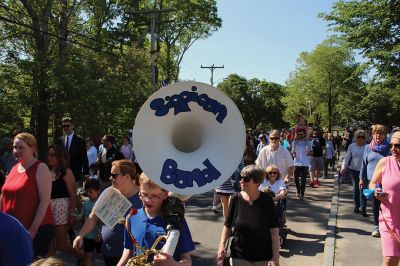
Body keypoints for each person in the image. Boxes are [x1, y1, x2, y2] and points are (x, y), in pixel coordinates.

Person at [73, 159, 142, 266]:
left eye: (114, 175)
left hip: (132, 256)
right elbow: (94, 216)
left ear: (127, 176)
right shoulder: (108, 192)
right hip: (109, 252)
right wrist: (80, 235)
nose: (110, 178)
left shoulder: (143, 197)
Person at [117, 173, 195, 265]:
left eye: (154, 195)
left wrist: (174, 264)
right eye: (144, 194)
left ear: (165, 194)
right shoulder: (132, 217)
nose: (148, 200)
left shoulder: (176, 220)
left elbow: (187, 259)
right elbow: (128, 251)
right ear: (139, 191)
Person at [0, 133, 54, 258]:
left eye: (21, 148)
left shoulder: (40, 168)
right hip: (11, 230)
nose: (16, 151)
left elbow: (44, 201)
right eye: (14, 147)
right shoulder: (14, 168)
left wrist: (33, 229)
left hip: (35, 230)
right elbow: (3, 195)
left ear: (33, 149)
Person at [217, 165, 280, 266]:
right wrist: (222, 245)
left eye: (245, 179)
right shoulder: (235, 198)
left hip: (263, 257)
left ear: (257, 182)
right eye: (240, 178)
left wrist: (276, 257)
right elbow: (227, 225)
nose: (241, 181)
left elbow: (274, 231)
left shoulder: (267, 201)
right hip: (239, 256)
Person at [47, 144, 83, 262]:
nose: (50, 157)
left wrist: (72, 214)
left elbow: (73, 195)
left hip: (62, 210)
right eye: (49, 154)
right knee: (49, 243)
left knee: (61, 245)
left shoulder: (66, 172)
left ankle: (80, 256)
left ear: (60, 156)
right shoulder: (48, 171)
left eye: (53, 155)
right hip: (49, 210)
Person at [369, 131, 400, 266]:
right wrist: (376, 191)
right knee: (389, 260)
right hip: (389, 220)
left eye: (398, 145)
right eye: (391, 144)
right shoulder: (385, 162)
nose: (393, 148)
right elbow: (372, 183)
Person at [360, 124, 391, 237]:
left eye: (381, 133)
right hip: (373, 182)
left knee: (388, 204)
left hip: (387, 181)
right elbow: (364, 164)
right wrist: (361, 178)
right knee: (376, 204)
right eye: (376, 133)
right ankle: (376, 226)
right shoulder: (368, 147)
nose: (378, 135)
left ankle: (389, 226)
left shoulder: (390, 147)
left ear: (385, 135)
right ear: (372, 135)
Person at [340, 130, 367, 214]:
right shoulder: (351, 146)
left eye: (363, 137)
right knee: (356, 189)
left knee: (363, 189)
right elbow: (347, 157)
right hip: (353, 170)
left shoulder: (368, 147)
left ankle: (363, 208)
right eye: (359, 137)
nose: (361, 138)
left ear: (365, 138)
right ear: (356, 137)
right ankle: (356, 206)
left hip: (364, 171)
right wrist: (343, 167)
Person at [58, 117, 89, 183]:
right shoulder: (60, 140)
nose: (65, 128)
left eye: (67, 126)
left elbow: (84, 158)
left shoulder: (80, 140)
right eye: (63, 126)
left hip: (75, 175)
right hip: (61, 175)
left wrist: (86, 174)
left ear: (72, 126)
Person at [81, 179, 102, 266]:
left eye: (91, 192)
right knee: (87, 255)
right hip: (88, 235)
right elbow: (83, 216)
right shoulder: (86, 203)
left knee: (101, 254)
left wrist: (100, 233)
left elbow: (102, 221)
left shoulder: (101, 203)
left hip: (98, 235)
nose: (88, 194)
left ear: (98, 191)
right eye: (87, 192)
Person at [291, 129, 312, 199]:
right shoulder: (294, 142)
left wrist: (309, 153)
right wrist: (293, 153)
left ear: (304, 134)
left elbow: (311, 152)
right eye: (299, 134)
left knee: (303, 180)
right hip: (296, 162)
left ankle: (302, 194)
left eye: (301, 134)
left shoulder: (308, 142)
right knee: (295, 179)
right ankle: (298, 190)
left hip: (305, 163)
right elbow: (292, 151)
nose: (300, 136)